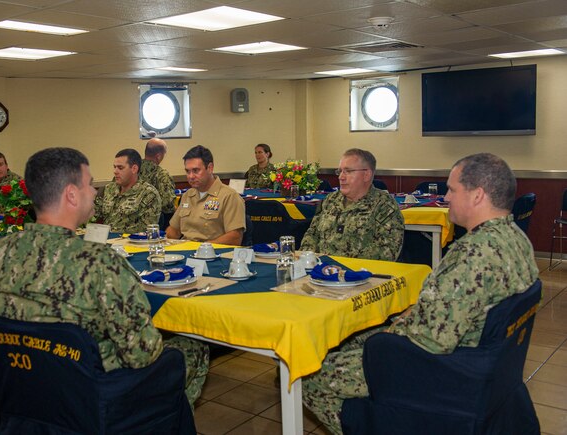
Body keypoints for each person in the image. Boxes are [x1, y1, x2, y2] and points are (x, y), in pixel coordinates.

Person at [302, 153, 539, 434]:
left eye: (452, 189)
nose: (447, 198)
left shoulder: (474, 253)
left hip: (441, 373)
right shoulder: (516, 239)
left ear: (477, 195)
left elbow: (430, 339)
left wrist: (386, 339)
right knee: (355, 340)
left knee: (309, 374)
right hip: (485, 371)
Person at [0, 147, 208, 407]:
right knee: (191, 349)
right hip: (93, 397)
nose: (95, 192)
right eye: (89, 184)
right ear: (72, 195)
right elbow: (142, 353)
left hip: (22, 392)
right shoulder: (101, 264)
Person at [300, 148, 403, 261]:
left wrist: (342, 265)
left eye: (348, 171)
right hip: (321, 271)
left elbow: (387, 252)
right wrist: (308, 260)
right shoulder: (330, 200)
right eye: (340, 171)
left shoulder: (385, 206)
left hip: (361, 274)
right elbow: (312, 234)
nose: (341, 177)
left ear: (366, 175)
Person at [166, 145, 245, 245]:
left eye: (196, 170)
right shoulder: (187, 195)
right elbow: (174, 229)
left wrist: (202, 249)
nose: (190, 176)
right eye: (187, 171)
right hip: (185, 252)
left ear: (210, 168)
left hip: (213, 255)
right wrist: (165, 241)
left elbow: (235, 237)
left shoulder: (229, 196)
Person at [94, 148, 161, 234]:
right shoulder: (108, 189)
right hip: (105, 240)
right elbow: (93, 217)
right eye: (114, 167)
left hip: (131, 243)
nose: (115, 171)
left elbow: (146, 231)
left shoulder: (149, 194)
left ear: (134, 169)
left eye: (120, 168)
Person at [139, 137, 176, 217]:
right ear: (158, 156)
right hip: (155, 221)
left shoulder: (134, 169)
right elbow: (168, 205)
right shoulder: (161, 174)